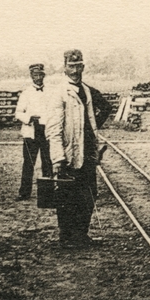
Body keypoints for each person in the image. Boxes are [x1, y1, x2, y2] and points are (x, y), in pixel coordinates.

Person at [45, 49, 105, 248]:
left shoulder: (86, 90)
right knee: (67, 196)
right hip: (69, 153)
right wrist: (58, 158)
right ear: (64, 68)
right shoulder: (59, 92)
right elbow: (53, 129)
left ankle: (81, 235)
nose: (75, 71)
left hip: (86, 152)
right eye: (71, 66)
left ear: (83, 67)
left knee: (88, 195)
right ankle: (66, 237)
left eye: (78, 66)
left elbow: (91, 120)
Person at [13, 62, 52, 201]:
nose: (38, 78)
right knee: (29, 163)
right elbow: (18, 113)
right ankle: (24, 193)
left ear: (44, 75)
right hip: (31, 131)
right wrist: (29, 118)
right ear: (31, 76)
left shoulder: (51, 92)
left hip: (46, 131)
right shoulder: (26, 93)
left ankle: (47, 194)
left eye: (41, 75)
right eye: (35, 75)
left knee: (47, 162)